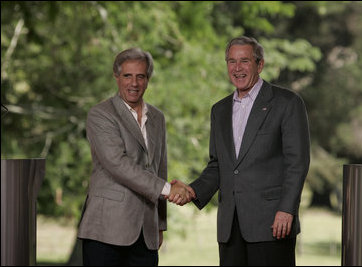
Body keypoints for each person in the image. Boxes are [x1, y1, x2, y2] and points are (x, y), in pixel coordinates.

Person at [173, 36, 310, 266]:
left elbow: (297, 163)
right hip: (230, 227)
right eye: (231, 61)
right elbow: (218, 165)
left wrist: (287, 209)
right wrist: (193, 191)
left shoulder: (287, 103)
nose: (237, 68)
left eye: (244, 61)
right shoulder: (219, 110)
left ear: (260, 64)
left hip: (272, 223)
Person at [77, 47, 191, 266]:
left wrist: (159, 224)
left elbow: (160, 168)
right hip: (106, 230)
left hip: (146, 232)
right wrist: (168, 189)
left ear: (147, 79)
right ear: (116, 77)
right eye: (127, 76)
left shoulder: (157, 117)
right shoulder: (101, 114)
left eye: (140, 76)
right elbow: (117, 164)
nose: (134, 83)